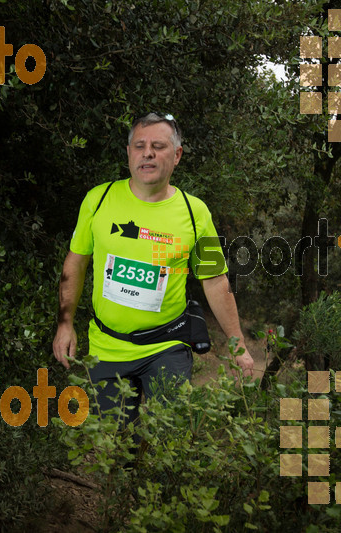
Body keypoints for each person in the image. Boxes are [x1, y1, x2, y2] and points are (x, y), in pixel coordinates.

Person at [52, 112, 254, 424]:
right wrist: (65, 323)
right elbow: (75, 262)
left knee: (169, 434)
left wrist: (237, 344)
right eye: (139, 145)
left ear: (177, 156)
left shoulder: (195, 212)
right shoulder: (98, 199)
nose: (147, 153)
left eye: (158, 146)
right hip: (107, 347)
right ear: (129, 152)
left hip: (167, 345)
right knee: (115, 445)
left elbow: (215, 281)